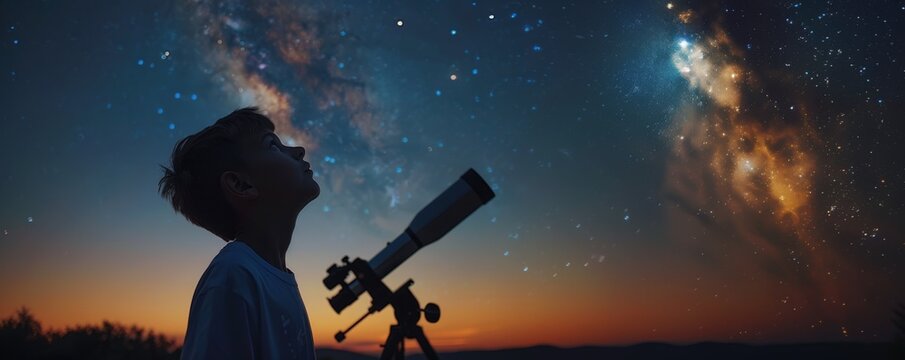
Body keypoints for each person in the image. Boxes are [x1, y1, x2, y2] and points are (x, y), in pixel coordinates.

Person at [158, 106, 320, 359]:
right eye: (274, 147)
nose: (299, 150)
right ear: (241, 185)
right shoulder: (233, 276)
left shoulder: (274, 277)